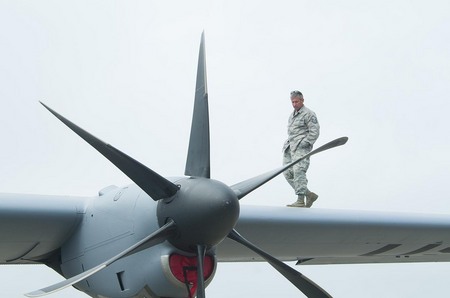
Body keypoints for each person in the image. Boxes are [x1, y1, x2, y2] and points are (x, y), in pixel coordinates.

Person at [283, 90, 320, 207]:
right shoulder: (292, 115)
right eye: (292, 102)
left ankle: (300, 200)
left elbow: (315, 131)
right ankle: (308, 194)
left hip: (301, 147)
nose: (294, 104)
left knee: (299, 171)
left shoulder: (309, 114)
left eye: (296, 101)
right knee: (287, 173)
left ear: (302, 100)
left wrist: (306, 143)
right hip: (290, 147)